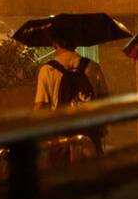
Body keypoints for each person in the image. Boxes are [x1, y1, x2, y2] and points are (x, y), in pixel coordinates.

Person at [34, 22, 109, 153]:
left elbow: (41, 106)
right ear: (76, 43)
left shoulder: (47, 70)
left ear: (54, 43)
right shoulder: (93, 67)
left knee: (63, 172)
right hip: (89, 135)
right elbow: (104, 99)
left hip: (61, 137)